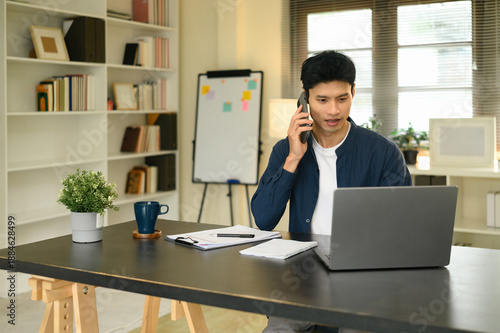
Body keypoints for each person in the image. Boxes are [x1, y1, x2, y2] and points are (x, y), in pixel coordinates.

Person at [251, 50, 411, 332]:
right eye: (322, 100)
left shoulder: (383, 152)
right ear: (304, 98)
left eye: (342, 98)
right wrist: (293, 158)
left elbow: (401, 227)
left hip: (362, 276)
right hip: (302, 276)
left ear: (353, 93)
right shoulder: (285, 151)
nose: (334, 111)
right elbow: (264, 219)